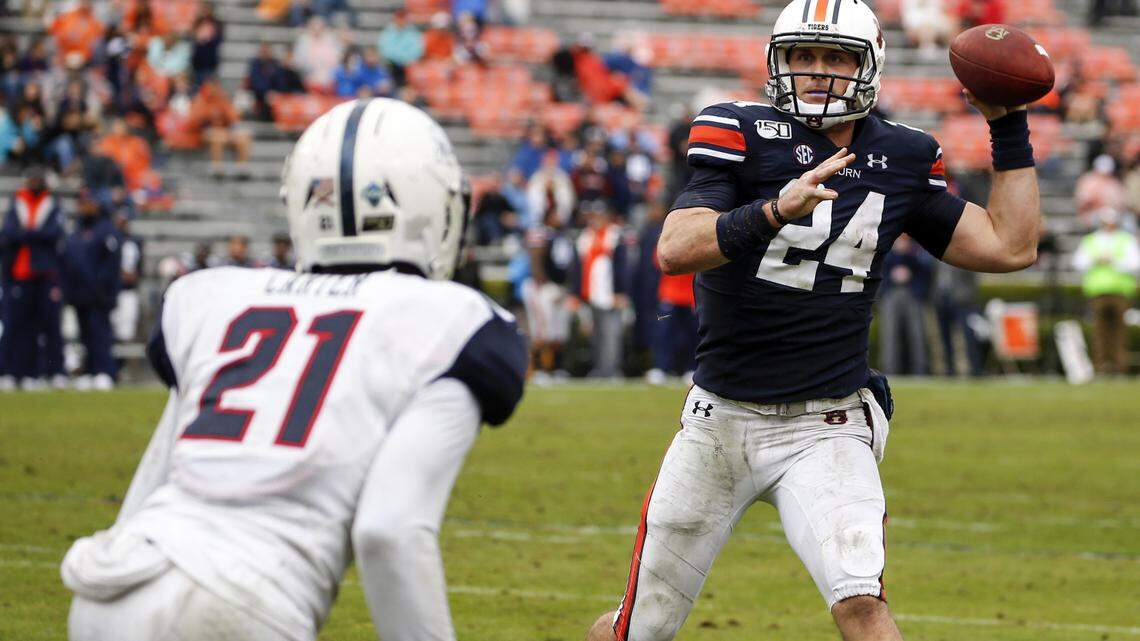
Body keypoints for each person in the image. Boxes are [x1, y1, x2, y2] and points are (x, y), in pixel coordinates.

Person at [584, 1, 1043, 640]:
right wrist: (774, 209)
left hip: (827, 423)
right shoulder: (737, 128)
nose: (818, 71)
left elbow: (1009, 247)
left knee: (861, 603)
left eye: (837, 57)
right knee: (643, 627)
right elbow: (675, 248)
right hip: (721, 420)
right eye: (804, 55)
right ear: (779, 62)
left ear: (869, 65)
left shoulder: (904, 154)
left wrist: (1009, 126)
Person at [61, 98, 529, 641]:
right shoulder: (454, 321)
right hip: (244, 603)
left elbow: (158, 473)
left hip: (112, 584)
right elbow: (387, 532)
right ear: (436, 207)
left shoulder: (218, 295)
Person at [0, 168, 65, 391]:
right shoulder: (18, 202)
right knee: (18, 326)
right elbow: (8, 234)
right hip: (19, 273)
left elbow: (53, 234)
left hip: (45, 273)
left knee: (48, 325)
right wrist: (34, 234)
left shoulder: (51, 203)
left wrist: (26, 234)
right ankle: (13, 372)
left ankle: (46, 372)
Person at [61, 190, 122, 391]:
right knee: (85, 334)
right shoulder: (76, 230)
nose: (84, 207)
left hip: (99, 295)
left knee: (100, 334)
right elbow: (69, 261)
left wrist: (101, 287)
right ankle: (90, 370)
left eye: (88, 202)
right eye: (82, 203)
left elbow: (111, 263)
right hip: (80, 294)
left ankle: (105, 371)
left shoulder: (106, 230)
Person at [1072, 208, 1140, 375]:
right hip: (1098, 292)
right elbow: (1078, 262)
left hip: (1120, 292)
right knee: (1099, 332)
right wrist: (1096, 260)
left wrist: (1113, 261)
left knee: (1119, 332)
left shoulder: (1126, 239)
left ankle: (1119, 367)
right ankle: (1100, 367)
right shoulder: (1090, 240)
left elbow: (1135, 263)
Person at [378, 9, 423, 88]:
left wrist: (404, 60)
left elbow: (417, 51)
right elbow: (385, 50)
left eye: (403, 18)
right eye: (399, 18)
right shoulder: (388, 32)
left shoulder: (413, 32)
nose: (401, 21)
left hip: (407, 65)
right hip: (391, 65)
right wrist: (399, 59)